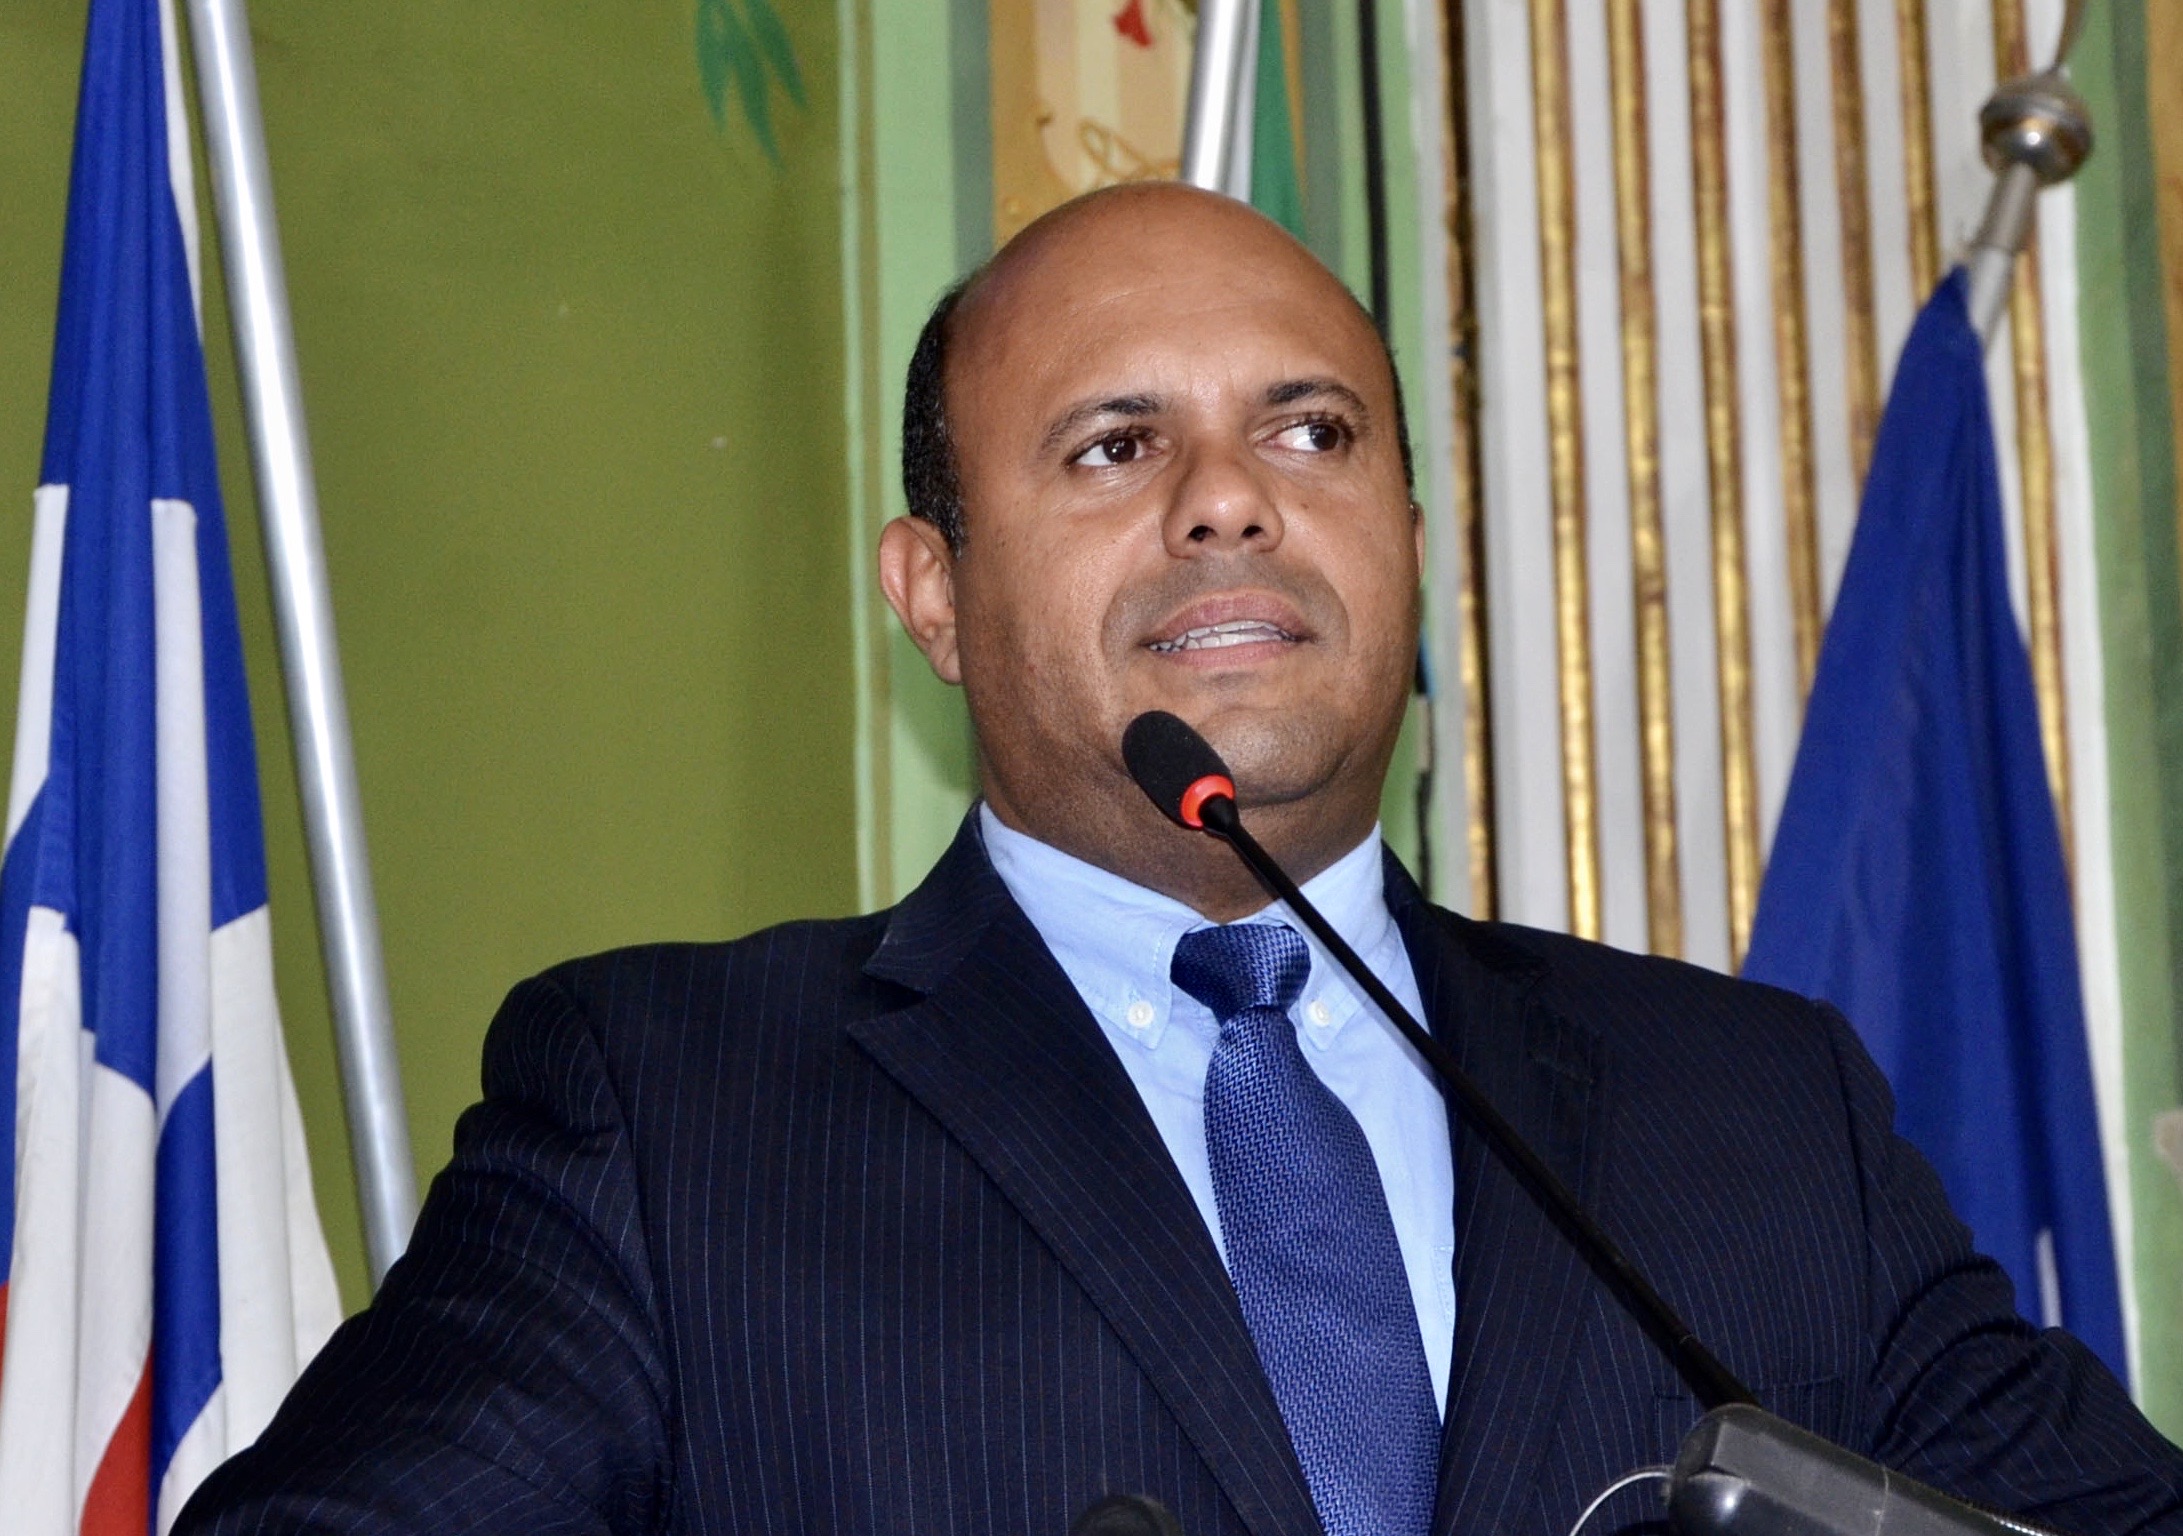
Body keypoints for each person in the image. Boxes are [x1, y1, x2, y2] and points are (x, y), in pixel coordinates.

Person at [179, 184, 2183, 1536]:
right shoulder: (672, 1106)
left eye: (1313, 434)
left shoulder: (1759, 1113)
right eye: (1116, 447)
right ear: (933, 593)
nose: (1231, 501)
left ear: (1411, 538)